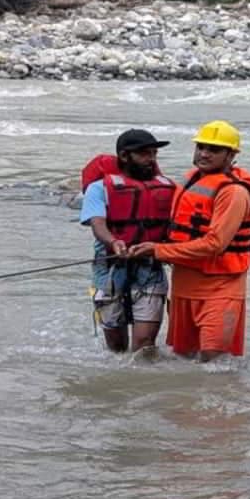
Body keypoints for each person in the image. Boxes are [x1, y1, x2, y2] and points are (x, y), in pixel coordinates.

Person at [130, 121, 250, 362]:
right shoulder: (191, 178)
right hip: (184, 286)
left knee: (214, 362)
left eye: (214, 149)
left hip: (220, 288)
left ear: (231, 155)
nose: (204, 153)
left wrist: (158, 251)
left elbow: (215, 243)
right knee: (183, 359)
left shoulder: (234, 192)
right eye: (201, 147)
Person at [78, 128, 175, 354]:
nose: (151, 159)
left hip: (150, 269)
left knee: (144, 345)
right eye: (144, 154)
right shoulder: (98, 188)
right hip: (109, 269)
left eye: (153, 154)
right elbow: (97, 223)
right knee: (117, 347)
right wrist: (113, 242)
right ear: (124, 156)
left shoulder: (166, 188)